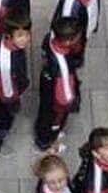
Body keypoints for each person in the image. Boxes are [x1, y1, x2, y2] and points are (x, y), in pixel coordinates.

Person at [0, 12, 33, 155]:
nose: (26, 39)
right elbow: (8, 90)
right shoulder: (6, 63)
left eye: (27, 34)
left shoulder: (6, 42)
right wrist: (13, 101)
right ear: (9, 35)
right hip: (4, 96)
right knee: (4, 120)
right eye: (20, 35)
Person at [33, 17, 84, 154]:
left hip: (47, 81)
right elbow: (65, 98)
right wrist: (73, 102)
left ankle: (45, 135)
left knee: (43, 110)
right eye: (77, 37)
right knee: (52, 123)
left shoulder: (50, 37)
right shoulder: (63, 67)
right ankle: (46, 143)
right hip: (56, 102)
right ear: (68, 41)